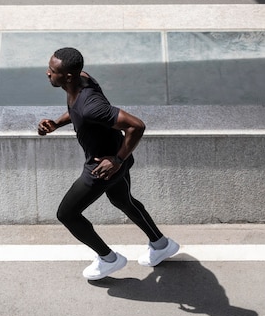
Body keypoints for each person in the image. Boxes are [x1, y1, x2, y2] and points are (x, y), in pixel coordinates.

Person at [37, 47, 179, 280]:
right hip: (115, 158)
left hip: (102, 167)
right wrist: (55, 123)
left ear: (68, 75)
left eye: (52, 71)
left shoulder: (91, 105)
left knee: (67, 214)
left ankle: (108, 259)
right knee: (122, 200)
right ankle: (161, 244)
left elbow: (136, 125)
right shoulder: (79, 80)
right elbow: (77, 111)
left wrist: (117, 160)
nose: (47, 73)